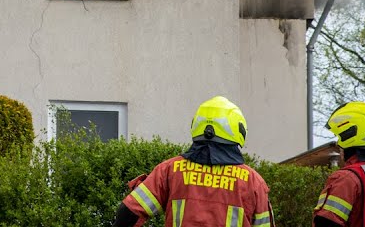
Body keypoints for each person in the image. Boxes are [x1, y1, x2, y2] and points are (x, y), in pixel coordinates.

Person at [115, 96, 274, 227]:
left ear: (196, 126)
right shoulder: (252, 182)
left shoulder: (170, 170)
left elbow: (129, 212)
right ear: (238, 130)